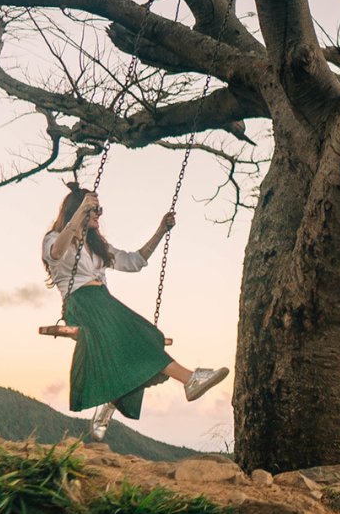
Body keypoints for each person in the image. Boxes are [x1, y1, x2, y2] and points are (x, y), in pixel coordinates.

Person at [42, 183, 228, 441]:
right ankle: (190, 379)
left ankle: (114, 399)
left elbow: (134, 261)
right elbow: (57, 252)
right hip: (82, 304)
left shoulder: (97, 247)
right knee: (141, 338)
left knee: (151, 337)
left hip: (104, 303)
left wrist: (161, 231)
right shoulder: (54, 238)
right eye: (93, 210)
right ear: (79, 211)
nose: (98, 215)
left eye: (99, 210)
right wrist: (80, 213)